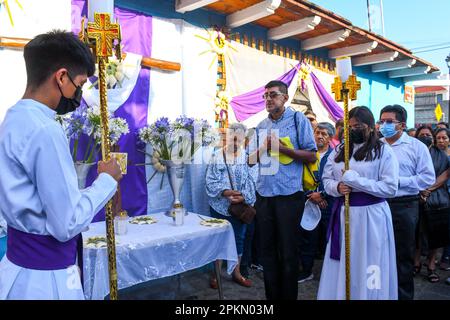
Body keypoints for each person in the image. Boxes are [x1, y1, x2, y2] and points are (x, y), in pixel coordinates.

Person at [0, 31, 122, 300]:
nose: (78, 94)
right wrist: (106, 181)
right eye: (79, 85)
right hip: (45, 281)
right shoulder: (45, 130)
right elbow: (65, 224)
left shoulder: (12, 118)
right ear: (61, 76)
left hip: (15, 270)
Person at [317, 106, 399, 300]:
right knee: (344, 264)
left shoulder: (382, 150)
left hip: (371, 217)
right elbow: (326, 179)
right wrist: (337, 188)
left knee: (369, 262)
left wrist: (356, 181)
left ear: (371, 127)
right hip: (344, 213)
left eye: (358, 126)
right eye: (350, 126)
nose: (353, 129)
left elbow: (390, 188)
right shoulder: (339, 150)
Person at [248, 80, 317, 300]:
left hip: (289, 196)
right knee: (267, 253)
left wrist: (282, 148)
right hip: (265, 195)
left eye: (273, 95)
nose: (268, 99)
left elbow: (312, 154)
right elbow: (250, 161)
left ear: (285, 98)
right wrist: (263, 148)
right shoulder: (260, 126)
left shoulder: (297, 119)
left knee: (288, 252)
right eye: (265, 95)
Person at [379, 104, 435, 300]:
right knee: (379, 254)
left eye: (389, 122)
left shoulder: (416, 146)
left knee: (403, 255)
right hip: (378, 204)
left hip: (405, 205)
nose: (383, 125)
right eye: (381, 121)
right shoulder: (377, 144)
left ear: (402, 125)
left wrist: (397, 181)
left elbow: (427, 178)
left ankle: (403, 296)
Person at [206, 123, 257, 288]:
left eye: (238, 138)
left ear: (243, 139)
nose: (235, 141)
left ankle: (236, 273)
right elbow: (210, 181)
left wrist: (243, 197)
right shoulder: (216, 156)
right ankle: (217, 275)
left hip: (239, 208)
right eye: (232, 137)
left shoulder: (247, 157)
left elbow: (252, 181)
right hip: (220, 207)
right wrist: (227, 192)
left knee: (239, 239)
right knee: (218, 239)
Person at [298, 122, 335, 283]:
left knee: (329, 238)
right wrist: (310, 195)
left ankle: (330, 275)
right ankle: (306, 271)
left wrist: (323, 195)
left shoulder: (335, 155)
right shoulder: (306, 154)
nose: (319, 136)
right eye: (317, 132)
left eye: (324, 134)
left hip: (328, 204)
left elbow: (337, 179)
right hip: (308, 202)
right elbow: (298, 177)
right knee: (307, 238)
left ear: (330, 138)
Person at [413, 127, 450, 283]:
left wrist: (428, 189)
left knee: (435, 234)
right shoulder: (413, 152)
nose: (426, 137)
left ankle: (431, 266)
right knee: (417, 234)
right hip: (416, 197)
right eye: (422, 135)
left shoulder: (442, 156)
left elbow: (446, 174)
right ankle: (416, 263)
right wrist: (420, 190)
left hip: (437, 199)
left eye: (428, 135)